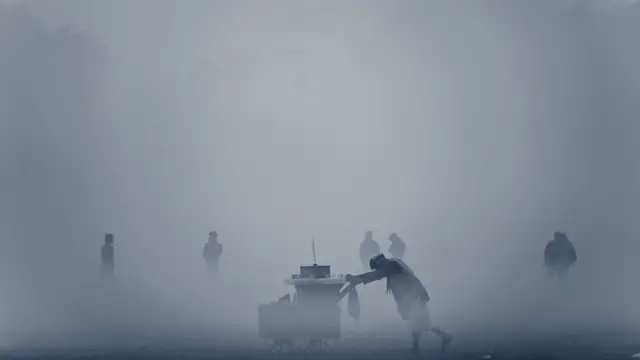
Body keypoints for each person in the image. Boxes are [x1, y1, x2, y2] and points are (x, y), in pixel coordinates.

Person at [345, 254, 453, 354]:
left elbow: (377, 274)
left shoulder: (392, 264)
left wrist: (356, 278)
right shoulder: (392, 264)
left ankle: (425, 344)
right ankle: (441, 337)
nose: (378, 269)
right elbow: (379, 274)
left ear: (380, 262)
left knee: (417, 322)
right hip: (415, 296)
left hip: (416, 296)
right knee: (422, 323)